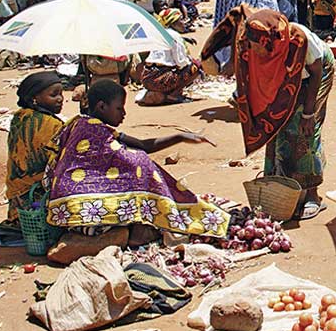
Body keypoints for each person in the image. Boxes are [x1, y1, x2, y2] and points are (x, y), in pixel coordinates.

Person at [46, 79, 226, 240]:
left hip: (62, 208)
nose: (123, 113)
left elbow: (142, 144)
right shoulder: (93, 130)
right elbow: (135, 158)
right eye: (119, 108)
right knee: (139, 164)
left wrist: (180, 136)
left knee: (137, 160)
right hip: (82, 212)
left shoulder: (84, 123)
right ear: (101, 107)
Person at [201, 7, 335, 220]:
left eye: (258, 46)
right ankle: (280, 183)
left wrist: (310, 114)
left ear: (270, 40)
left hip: (316, 73)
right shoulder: (252, 43)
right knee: (276, 127)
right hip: (289, 79)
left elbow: (316, 73)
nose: (255, 50)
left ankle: (312, 195)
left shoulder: (299, 41)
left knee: (304, 131)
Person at [0, 72, 66, 246]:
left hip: (16, 200)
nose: (60, 99)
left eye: (61, 93)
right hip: (36, 196)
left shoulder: (19, 117)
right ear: (34, 98)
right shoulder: (50, 124)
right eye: (53, 94)